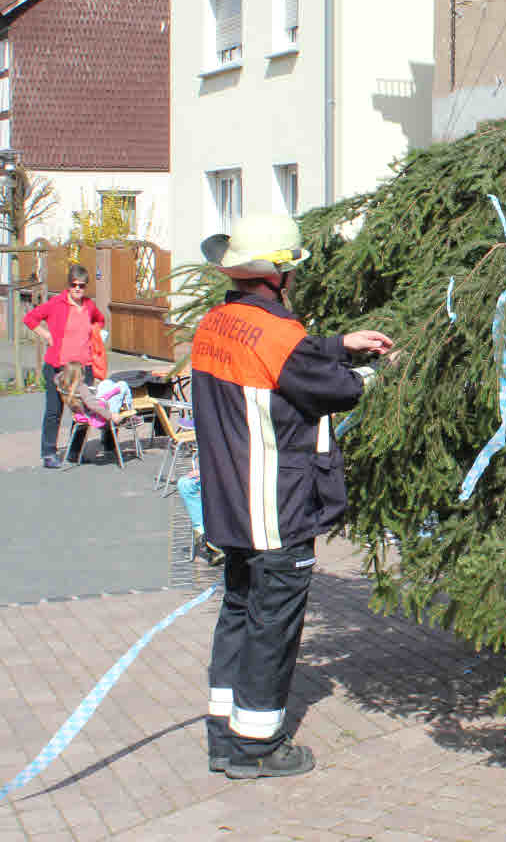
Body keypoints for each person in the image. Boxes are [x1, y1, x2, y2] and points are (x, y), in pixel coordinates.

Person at [191, 215, 392, 780]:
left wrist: (338, 344)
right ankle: (258, 746)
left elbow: (285, 360)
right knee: (273, 627)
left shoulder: (215, 323)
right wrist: (378, 371)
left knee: (238, 612)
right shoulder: (279, 337)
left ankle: (225, 736)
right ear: (276, 274)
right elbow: (334, 388)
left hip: (231, 508)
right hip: (276, 509)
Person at [24, 264, 105, 469]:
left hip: (83, 367)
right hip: (58, 367)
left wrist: (95, 335)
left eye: (82, 285)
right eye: (74, 285)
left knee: (83, 411)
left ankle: (75, 452)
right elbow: (30, 319)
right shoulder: (56, 303)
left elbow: (100, 320)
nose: (77, 289)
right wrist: (47, 335)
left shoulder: (89, 305)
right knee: (54, 410)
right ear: (68, 285)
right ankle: (49, 452)